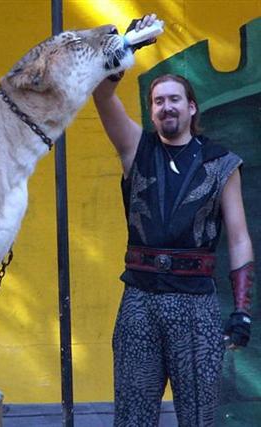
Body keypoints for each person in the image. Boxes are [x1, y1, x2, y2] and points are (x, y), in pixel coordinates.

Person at [92, 14, 255, 427]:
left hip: (196, 303)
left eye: (174, 99)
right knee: (133, 416)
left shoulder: (222, 163)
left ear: (191, 106)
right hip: (140, 300)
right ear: (152, 111)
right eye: (158, 100)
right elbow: (102, 97)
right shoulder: (136, 148)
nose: (166, 106)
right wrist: (126, 50)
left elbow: (238, 239)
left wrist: (241, 310)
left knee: (198, 417)